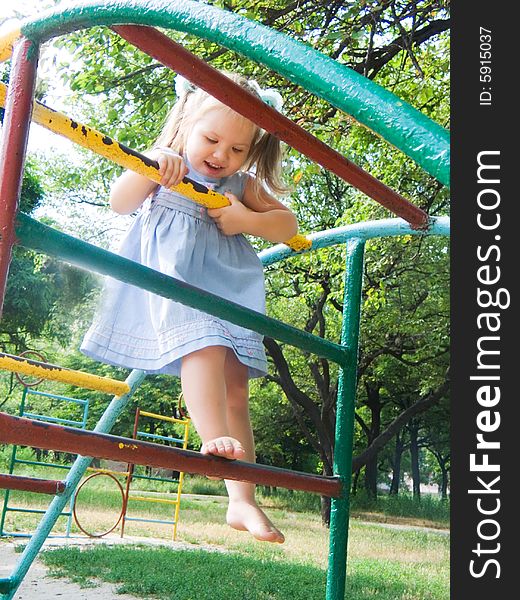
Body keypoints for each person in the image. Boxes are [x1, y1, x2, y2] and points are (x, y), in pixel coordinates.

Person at [81, 72, 299, 544]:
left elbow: (287, 224)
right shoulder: (166, 164)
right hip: (178, 288)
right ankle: (213, 438)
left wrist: (245, 219)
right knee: (204, 345)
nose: (222, 155)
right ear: (183, 124)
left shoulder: (241, 185)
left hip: (227, 289)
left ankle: (242, 500)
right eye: (212, 139)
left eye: (238, 149)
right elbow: (120, 203)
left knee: (236, 391)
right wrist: (149, 167)